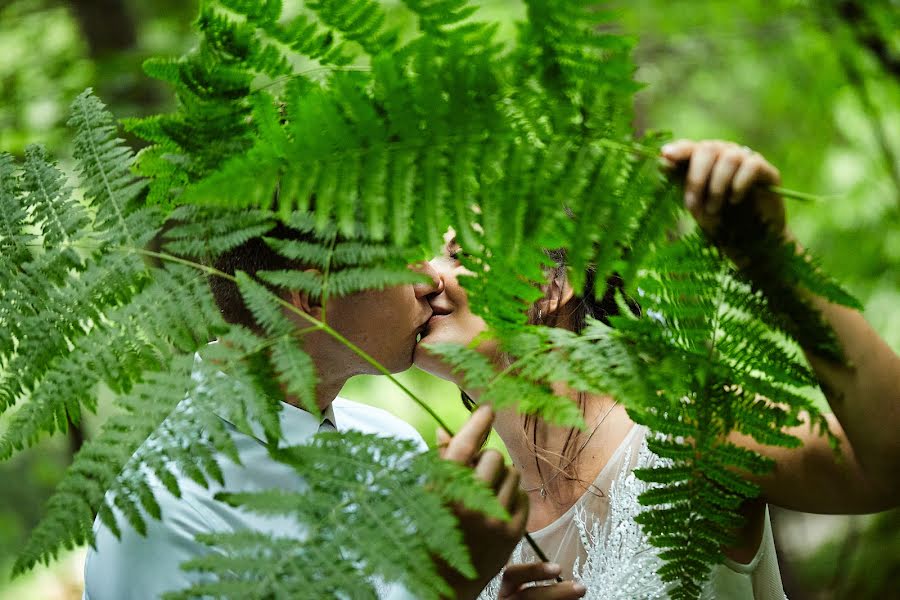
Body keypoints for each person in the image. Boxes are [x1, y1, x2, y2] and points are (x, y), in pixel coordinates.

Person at [415, 139, 900, 598]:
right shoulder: (468, 524)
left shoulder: (685, 432)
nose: (427, 275)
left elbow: (888, 465)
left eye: (461, 256)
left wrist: (777, 259)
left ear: (551, 285)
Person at [82, 225, 584, 599]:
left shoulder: (396, 445)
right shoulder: (161, 515)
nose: (432, 277)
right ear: (313, 298)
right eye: (406, 256)